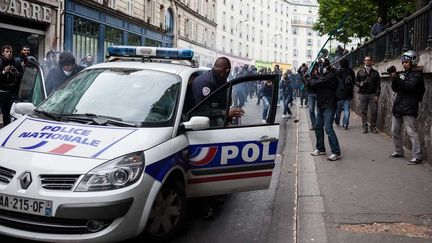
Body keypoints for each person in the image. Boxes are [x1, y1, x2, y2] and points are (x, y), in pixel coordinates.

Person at [388, 51, 425, 165]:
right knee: (395, 131)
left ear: (413, 61)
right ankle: (399, 151)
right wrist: (394, 78)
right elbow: (396, 88)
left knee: (411, 132)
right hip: (399, 106)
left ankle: (417, 156)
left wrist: (398, 78)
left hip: (409, 107)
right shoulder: (405, 74)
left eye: (406, 62)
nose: (404, 64)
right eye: (403, 62)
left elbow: (409, 87)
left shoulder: (417, 75)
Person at [309, 58, 341, 161]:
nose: (319, 68)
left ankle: (336, 152)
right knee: (318, 127)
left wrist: (311, 80)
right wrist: (308, 80)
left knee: (328, 128)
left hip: (329, 105)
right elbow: (312, 87)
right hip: (321, 105)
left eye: (321, 66)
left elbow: (316, 83)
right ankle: (320, 148)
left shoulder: (331, 76)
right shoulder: (322, 77)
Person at [355, 56, 380, 133]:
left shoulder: (375, 73)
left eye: (369, 60)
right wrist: (360, 84)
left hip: (372, 94)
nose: (367, 61)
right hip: (363, 94)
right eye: (366, 60)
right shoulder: (360, 71)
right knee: (363, 111)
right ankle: (364, 127)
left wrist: (377, 95)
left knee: (374, 111)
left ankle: (373, 126)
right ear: (364, 61)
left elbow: (378, 85)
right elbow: (356, 82)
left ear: (371, 61)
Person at [0, 45, 23, 126]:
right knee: (5, 113)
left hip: (13, 92)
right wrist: (4, 72)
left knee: (14, 113)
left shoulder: (16, 63)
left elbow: (22, 77)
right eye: (7, 52)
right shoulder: (0, 63)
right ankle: (6, 128)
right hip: (2, 93)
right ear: (2, 53)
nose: (9, 53)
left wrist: (16, 73)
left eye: (10, 52)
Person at [334, 58, 355, 130]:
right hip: (348, 93)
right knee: (347, 109)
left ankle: (337, 121)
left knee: (338, 109)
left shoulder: (338, 72)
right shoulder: (351, 71)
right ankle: (345, 123)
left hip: (339, 93)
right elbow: (353, 82)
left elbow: (335, 83)